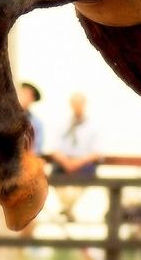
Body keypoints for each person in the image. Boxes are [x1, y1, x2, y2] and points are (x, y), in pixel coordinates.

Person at [50, 92, 104, 221]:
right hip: (65, 162)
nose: (77, 106)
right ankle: (68, 208)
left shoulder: (93, 126)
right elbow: (55, 149)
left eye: (79, 103)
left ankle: (67, 208)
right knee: (53, 177)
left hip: (84, 162)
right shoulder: (62, 124)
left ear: (84, 104)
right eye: (75, 103)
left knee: (84, 180)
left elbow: (97, 152)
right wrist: (66, 162)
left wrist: (78, 162)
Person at [17, 82, 44, 156]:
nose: (24, 97)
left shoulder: (36, 123)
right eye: (23, 93)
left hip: (26, 158)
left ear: (32, 99)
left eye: (28, 95)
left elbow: (37, 147)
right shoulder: (7, 117)